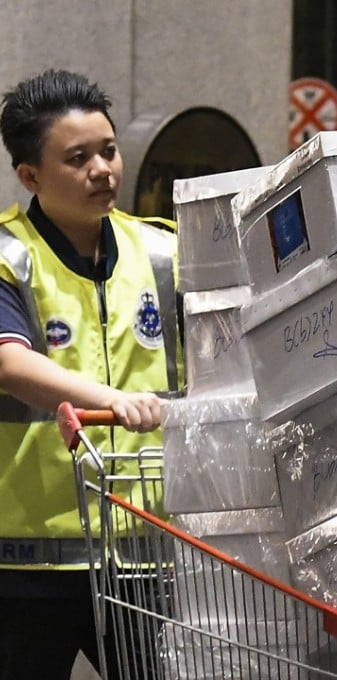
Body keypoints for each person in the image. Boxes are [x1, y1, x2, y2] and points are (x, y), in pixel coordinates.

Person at [0, 69, 181, 679]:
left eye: (108, 151)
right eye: (77, 159)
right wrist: (114, 398)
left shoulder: (163, 251)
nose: (102, 170)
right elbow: (7, 360)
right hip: (26, 562)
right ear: (30, 176)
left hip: (141, 552)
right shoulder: (8, 257)